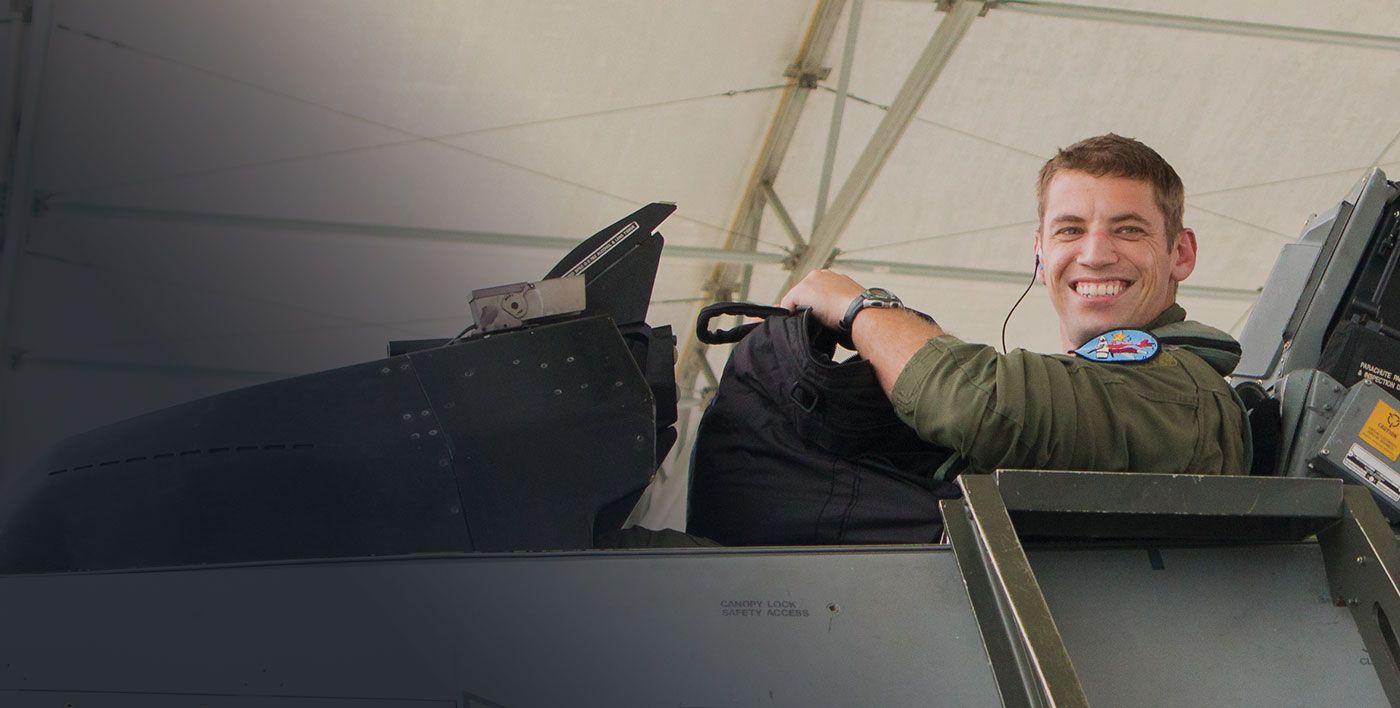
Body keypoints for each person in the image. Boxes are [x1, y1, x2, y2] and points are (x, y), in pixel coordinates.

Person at [779, 134, 1249, 476]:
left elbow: (978, 404)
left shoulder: (1179, 391)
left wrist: (859, 308)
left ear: (1180, 253)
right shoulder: (1103, 379)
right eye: (1070, 230)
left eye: (1128, 229)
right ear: (1040, 255)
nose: (1095, 254)